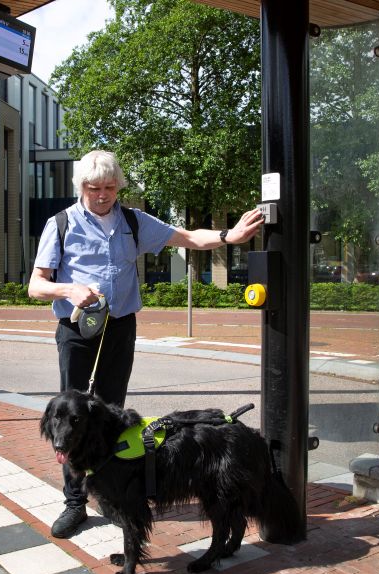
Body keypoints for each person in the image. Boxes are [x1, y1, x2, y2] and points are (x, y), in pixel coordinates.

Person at [28, 149, 264, 539]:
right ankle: (74, 503)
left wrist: (228, 236)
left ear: (119, 186)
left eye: (109, 187)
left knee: (112, 416)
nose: (102, 195)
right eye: (93, 188)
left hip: (120, 328)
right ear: (80, 187)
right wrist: (69, 289)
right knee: (72, 419)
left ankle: (112, 494)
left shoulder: (133, 221)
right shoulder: (62, 224)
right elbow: (36, 285)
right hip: (78, 330)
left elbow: (187, 237)